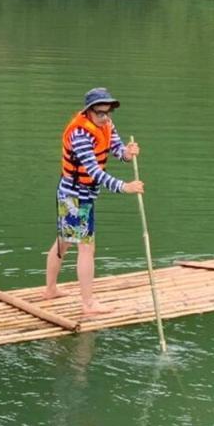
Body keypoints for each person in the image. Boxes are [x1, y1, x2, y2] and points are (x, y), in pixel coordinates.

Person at [44, 87, 143, 315]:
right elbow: (94, 171)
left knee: (64, 241)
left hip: (84, 193)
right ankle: (88, 303)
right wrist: (124, 187)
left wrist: (127, 153)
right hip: (74, 194)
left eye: (107, 112)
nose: (105, 117)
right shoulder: (80, 135)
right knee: (86, 247)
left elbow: (116, 147)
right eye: (100, 113)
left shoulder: (106, 124)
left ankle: (50, 290)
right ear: (89, 111)